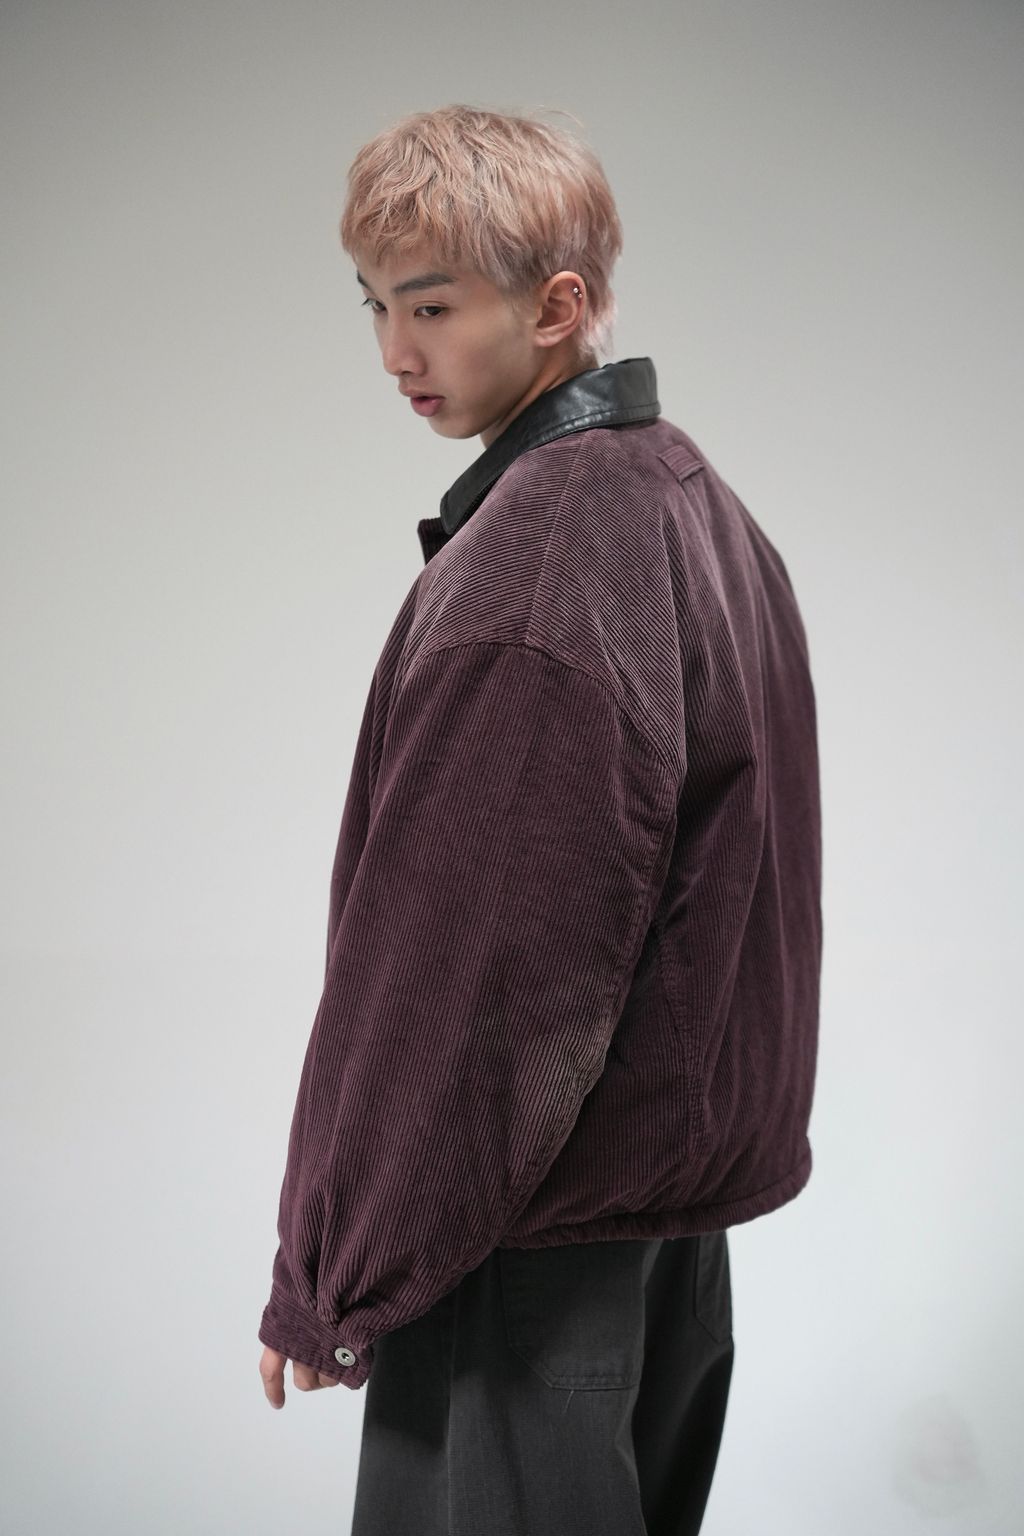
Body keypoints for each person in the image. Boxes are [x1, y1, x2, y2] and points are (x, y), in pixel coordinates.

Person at [257, 103, 823, 1536]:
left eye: (433, 305)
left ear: (557, 308)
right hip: (659, 1226)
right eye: (376, 305)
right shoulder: (692, 502)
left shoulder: (541, 563)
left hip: (522, 1239)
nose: (396, 351)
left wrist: (334, 1270)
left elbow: (473, 976)